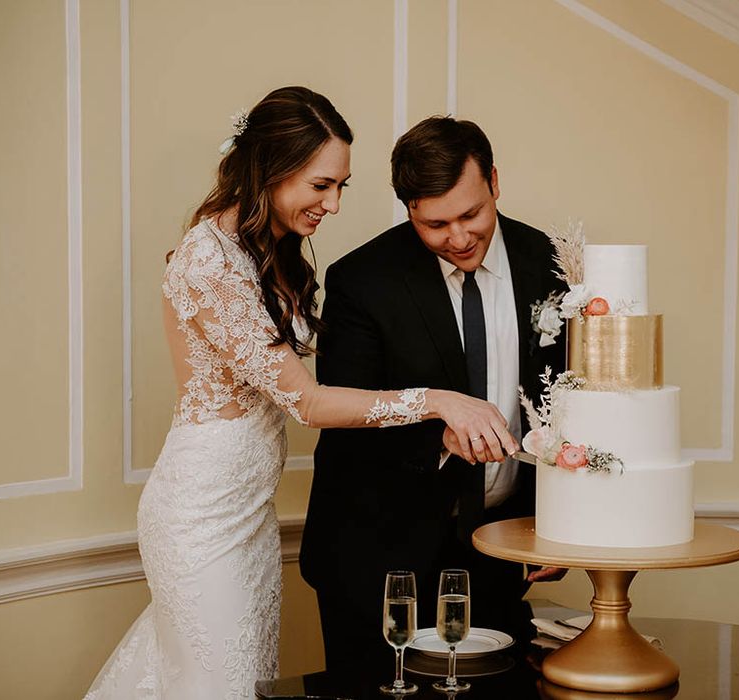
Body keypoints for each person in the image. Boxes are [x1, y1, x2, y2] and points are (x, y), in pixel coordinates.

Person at [83, 90, 516, 699]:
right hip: (202, 516)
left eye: (340, 185)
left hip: (249, 516)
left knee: (232, 679)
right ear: (271, 170)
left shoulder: (260, 249)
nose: (334, 204)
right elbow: (307, 402)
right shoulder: (208, 261)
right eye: (321, 186)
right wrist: (440, 400)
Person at [299, 116, 568, 673]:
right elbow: (343, 418)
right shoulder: (362, 280)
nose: (460, 237)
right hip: (377, 557)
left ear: (493, 181)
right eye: (435, 224)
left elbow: (564, 399)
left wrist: (555, 520)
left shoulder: (549, 261)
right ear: (409, 210)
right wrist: (439, 437)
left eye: (471, 214)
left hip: (499, 550)